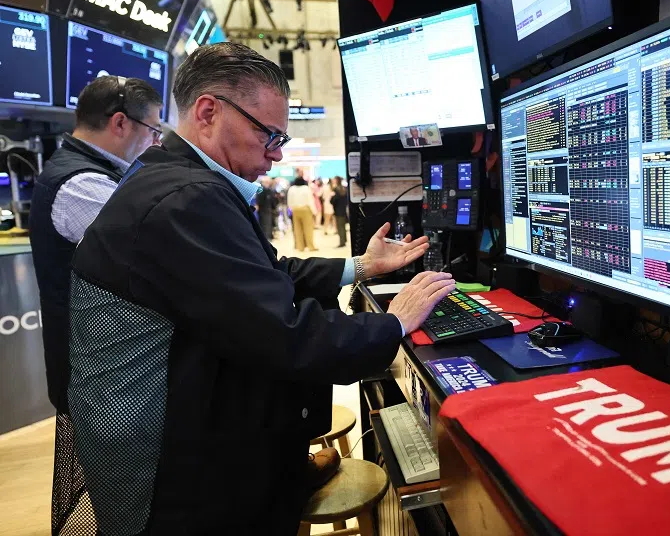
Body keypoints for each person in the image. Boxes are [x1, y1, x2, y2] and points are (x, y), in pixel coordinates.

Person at [66, 42, 456, 536]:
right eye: (269, 135)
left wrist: (359, 267)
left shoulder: (174, 179)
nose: (274, 156)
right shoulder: (185, 199)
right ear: (209, 112)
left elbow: (263, 275)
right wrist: (394, 320)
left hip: (186, 436)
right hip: (179, 484)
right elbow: (283, 333)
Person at [28, 75, 162, 535]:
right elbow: (158, 255)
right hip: (98, 381)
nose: (154, 142)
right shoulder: (81, 184)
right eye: (154, 131)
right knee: (125, 509)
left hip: (106, 372)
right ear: (122, 123)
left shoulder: (92, 173)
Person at [288, 176, 317, 251]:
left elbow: (289, 201)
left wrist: (292, 208)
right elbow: (310, 200)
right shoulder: (306, 188)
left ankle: (300, 247)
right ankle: (310, 246)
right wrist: (314, 211)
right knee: (308, 229)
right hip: (305, 209)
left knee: (297, 230)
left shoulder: (291, 189)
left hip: (295, 210)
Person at [256, 176, 278, 240]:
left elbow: (272, 200)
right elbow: (259, 200)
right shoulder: (262, 190)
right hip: (263, 210)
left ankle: (268, 237)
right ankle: (266, 238)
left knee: (268, 224)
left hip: (268, 210)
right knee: (265, 224)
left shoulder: (268, 190)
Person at [331, 177, 349, 248]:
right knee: (343, 227)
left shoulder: (336, 190)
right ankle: (344, 240)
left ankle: (342, 242)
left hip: (338, 211)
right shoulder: (344, 189)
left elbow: (333, 201)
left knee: (340, 227)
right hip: (343, 210)